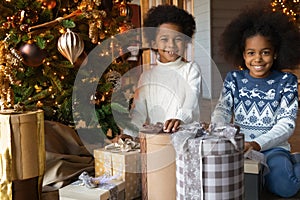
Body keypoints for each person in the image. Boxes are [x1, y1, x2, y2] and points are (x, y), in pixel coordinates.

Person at [211, 3, 300, 198]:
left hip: (272, 148)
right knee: (234, 184)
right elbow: (222, 110)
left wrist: (257, 144)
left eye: (265, 52)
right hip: (240, 148)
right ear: (243, 55)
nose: (258, 59)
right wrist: (220, 132)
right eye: (251, 53)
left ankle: (292, 162)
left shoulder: (286, 82)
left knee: (286, 187)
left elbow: (286, 124)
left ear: (275, 53)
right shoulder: (234, 79)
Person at [130, 5, 201, 133]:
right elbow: (138, 113)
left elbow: (191, 102)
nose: (171, 45)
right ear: (153, 43)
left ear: (186, 42)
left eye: (178, 39)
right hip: (158, 140)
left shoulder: (191, 69)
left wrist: (180, 118)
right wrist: (128, 133)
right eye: (164, 39)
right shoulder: (146, 77)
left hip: (186, 137)